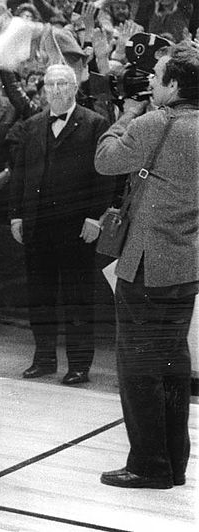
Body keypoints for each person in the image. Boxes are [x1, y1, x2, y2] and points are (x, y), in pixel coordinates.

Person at [94, 41, 199, 489]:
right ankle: (174, 462)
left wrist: (127, 113)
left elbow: (105, 159)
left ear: (174, 85)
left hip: (144, 266)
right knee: (173, 364)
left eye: (157, 77)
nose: (151, 82)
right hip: (187, 264)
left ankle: (148, 464)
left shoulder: (155, 122)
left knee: (138, 368)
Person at [9, 63, 114, 385]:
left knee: (77, 297)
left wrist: (95, 217)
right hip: (38, 224)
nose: (55, 90)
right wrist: (16, 215)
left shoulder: (96, 124)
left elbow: (105, 175)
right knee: (40, 296)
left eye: (62, 84)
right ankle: (43, 360)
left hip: (76, 226)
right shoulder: (32, 125)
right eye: (50, 84)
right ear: (43, 88)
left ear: (74, 88)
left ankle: (79, 365)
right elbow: (20, 174)